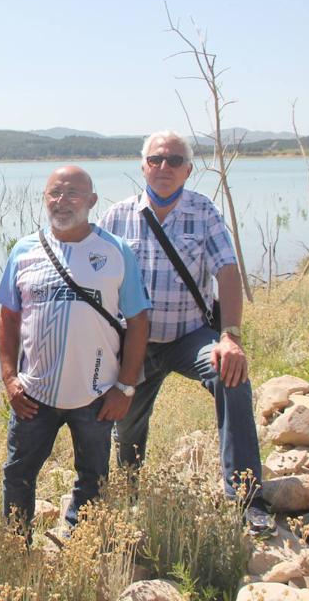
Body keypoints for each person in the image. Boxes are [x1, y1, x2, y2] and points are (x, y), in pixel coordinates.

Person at [100, 130, 275, 536]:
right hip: (136, 344)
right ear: (143, 166)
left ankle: (247, 497)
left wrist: (230, 336)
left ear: (188, 170)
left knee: (231, 377)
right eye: (157, 159)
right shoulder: (117, 216)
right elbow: (100, 281)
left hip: (189, 336)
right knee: (126, 428)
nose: (165, 167)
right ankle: (128, 495)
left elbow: (227, 270)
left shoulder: (204, 212)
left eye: (174, 160)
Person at [0, 166, 150, 538]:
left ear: (92, 201)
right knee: (18, 474)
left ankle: (77, 538)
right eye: (54, 193)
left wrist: (126, 387)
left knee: (93, 475)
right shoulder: (23, 250)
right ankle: (18, 546)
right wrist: (8, 378)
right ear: (44, 198)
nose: (62, 202)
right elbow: (8, 318)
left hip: (96, 396)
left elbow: (139, 322)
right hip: (35, 394)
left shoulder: (116, 251)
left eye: (72, 193)